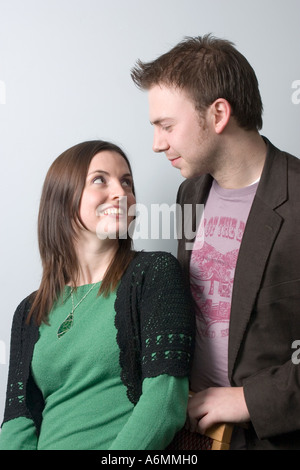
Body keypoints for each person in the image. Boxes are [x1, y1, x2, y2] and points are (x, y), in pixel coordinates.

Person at [131, 34, 300, 450]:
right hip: (192, 435)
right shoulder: (190, 193)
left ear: (219, 113)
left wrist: (249, 400)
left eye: (167, 126)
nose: (157, 143)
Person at [0, 140, 194, 450]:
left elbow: (165, 402)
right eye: (100, 179)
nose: (121, 193)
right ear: (63, 199)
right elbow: (17, 421)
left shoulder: (153, 274)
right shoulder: (29, 311)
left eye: (127, 181)